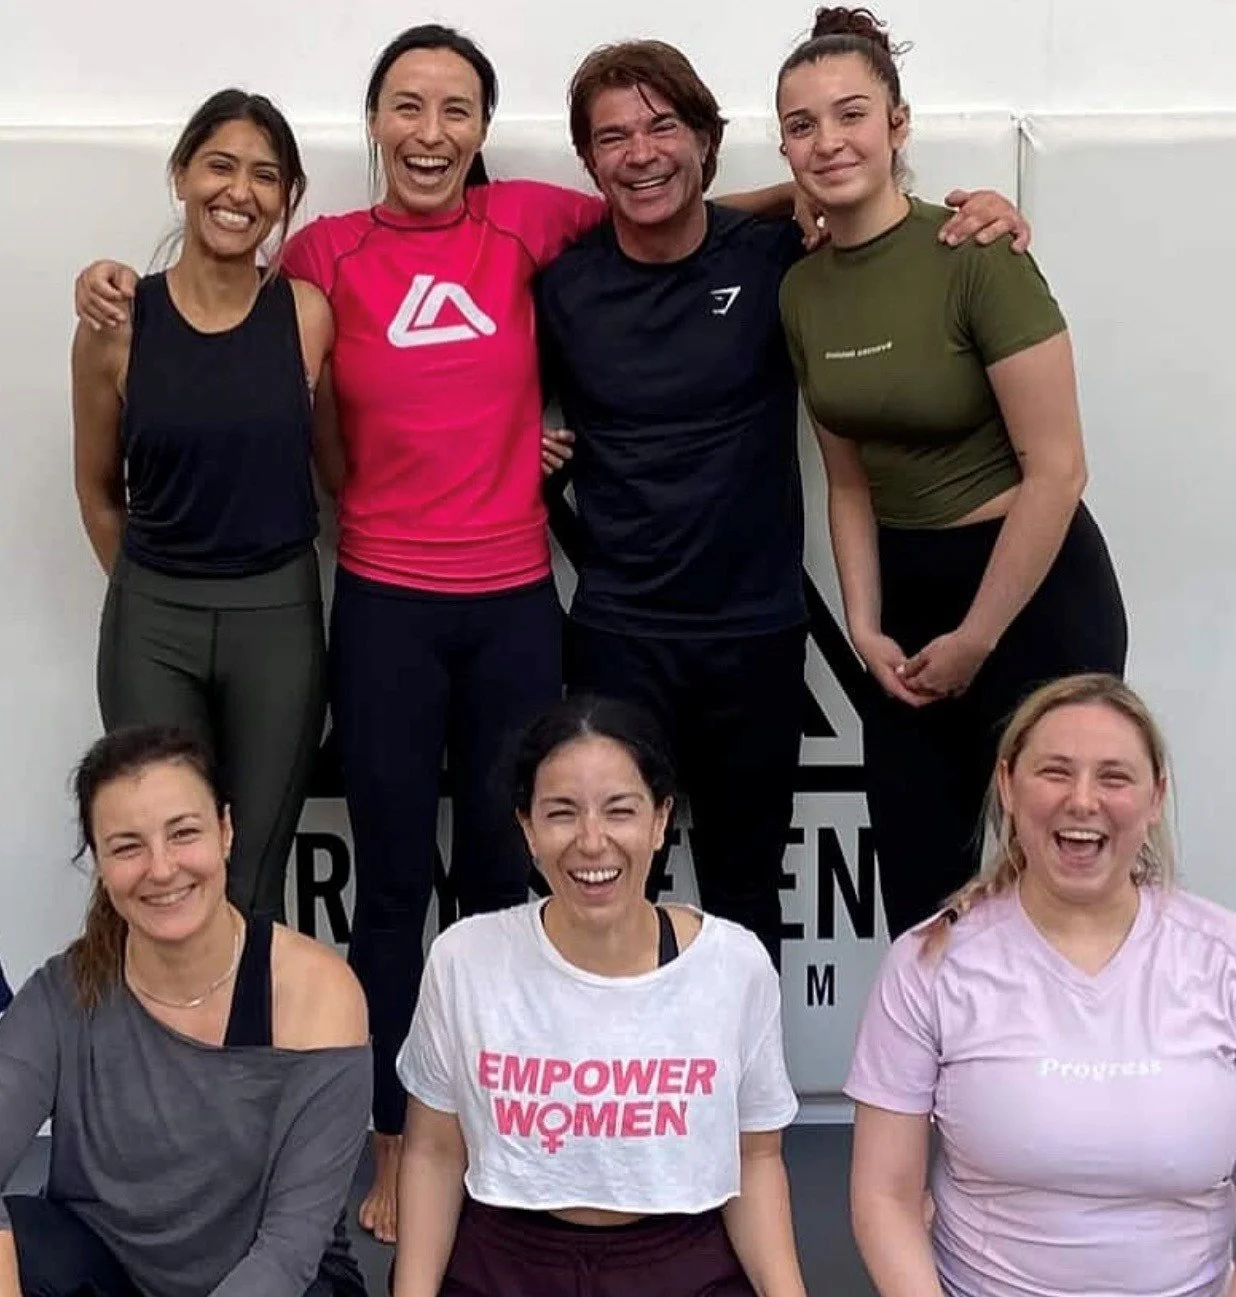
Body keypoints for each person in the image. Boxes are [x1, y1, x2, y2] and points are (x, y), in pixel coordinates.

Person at [72, 23, 813, 1244]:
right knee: (391, 890)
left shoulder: (531, 218)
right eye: (407, 107)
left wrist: (850, 191)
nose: (430, 132)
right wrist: (104, 281)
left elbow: (672, 202)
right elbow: (214, 329)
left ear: (481, 128)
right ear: (373, 124)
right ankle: (384, 1140)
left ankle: (498, 1138)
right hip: (382, 605)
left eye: (456, 109)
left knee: (497, 887)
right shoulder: (317, 253)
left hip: (516, 604)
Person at [535, 38, 1030, 970]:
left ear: (707, 142)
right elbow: (474, 398)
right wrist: (516, 439)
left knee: (744, 890)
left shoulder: (778, 260)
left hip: (755, 632)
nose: (640, 152)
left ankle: (745, 1119)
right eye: (612, 137)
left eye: (661, 127)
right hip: (619, 630)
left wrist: (982, 207)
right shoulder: (563, 290)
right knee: (606, 886)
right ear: (588, 160)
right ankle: (632, 1112)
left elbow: (872, 222)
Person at [776, 7, 1128, 939]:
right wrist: (861, 625)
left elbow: (1057, 469)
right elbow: (846, 480)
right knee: (921, 892)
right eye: (802, 126)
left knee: (1057, 881)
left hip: (1033, 590)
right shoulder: (801, 288)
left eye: (851, 115)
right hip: (909, 599)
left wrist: (979, 634)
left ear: (897, 125)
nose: (828, 141)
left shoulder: (978, 255)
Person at [846, 672, 1236, 1297]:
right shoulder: (930, 962)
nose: (1083, 800)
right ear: (1007, 785)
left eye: (1114, 777)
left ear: (1155, 796)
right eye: (1055, 772)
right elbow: (884, 1196)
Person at [391, 694, 805, 1297]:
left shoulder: (734, 965)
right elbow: (432, 1153)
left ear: (660, 820)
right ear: (527, 827)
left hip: (683, 1261)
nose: (592, 842)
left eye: (620, 811)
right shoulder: (465, 959)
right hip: (505, 1261)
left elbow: (757, 1158)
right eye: (561, 813)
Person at [72, 89, 333, 923]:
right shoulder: (117, 322)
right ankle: (142, 1054)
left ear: (287, 197)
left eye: (265, 175)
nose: (239, 191)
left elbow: (340, 460)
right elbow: (95, 488)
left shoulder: (305, 313)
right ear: (181, 174)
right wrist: (153, 598)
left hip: (278, 618)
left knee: (248, 878)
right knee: (156, 873)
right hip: (154, 619)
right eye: (220, 165)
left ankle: (240, 1053)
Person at [0, 724, 371, 1297]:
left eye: (183, 834)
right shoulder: (64, 992)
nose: (162, 868)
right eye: (127, 846)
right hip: (107, 1273)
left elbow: (288, 1250)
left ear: (225, 831)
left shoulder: (317, 993)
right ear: (99, 862)